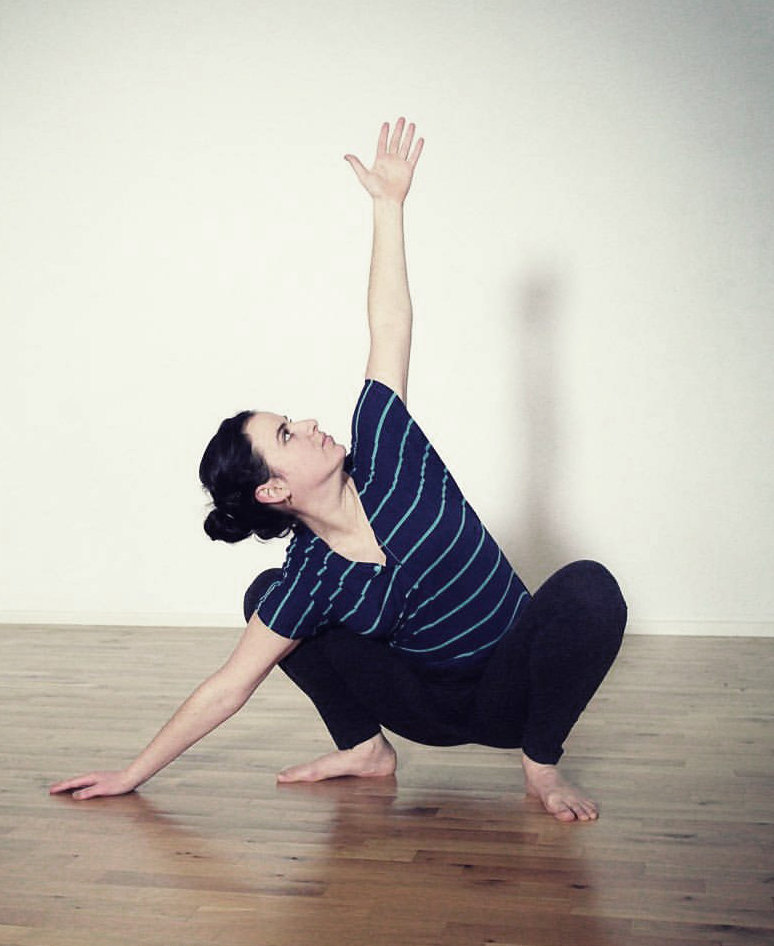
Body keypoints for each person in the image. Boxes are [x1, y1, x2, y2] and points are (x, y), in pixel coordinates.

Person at [50, 118, 626, 822]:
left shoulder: (387, 449)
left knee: (589, 588)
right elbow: (230, 685)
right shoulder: (312, 577)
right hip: (429, 707)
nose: (310, 425)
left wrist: (388, 206)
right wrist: (131, 774)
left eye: (295, 418)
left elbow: (390, 325)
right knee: (267, 596)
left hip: (514, 689)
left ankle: (540, 767)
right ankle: (366, 750)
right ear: (274, 488)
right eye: (287, 433)